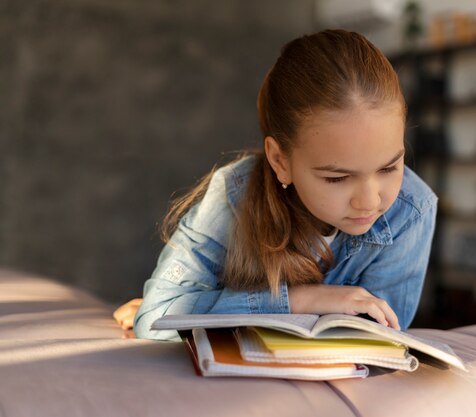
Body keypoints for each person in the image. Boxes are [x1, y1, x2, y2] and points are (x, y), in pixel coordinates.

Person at [116, 29, 437, 340]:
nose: (369, 202)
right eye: (337, 178)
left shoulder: (412, 210)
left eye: (389, 167)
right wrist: (302, 300)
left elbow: (380, 340)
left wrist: (214, 310)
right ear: (280, 161)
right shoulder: (233, 196)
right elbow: (158, 315)